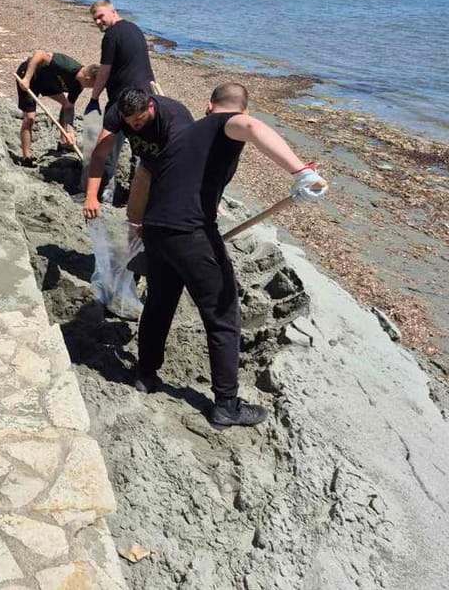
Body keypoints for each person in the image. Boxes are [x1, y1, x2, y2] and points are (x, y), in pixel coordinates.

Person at [134, 82, 328, 428]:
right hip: (189, 233)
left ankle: (145, 374)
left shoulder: (184, 133)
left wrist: (139, 219)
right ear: (237, 110)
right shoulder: (230, 122)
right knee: (223, 315)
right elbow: (252, 128)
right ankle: (226, 404)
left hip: (157, 228)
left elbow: (154, 175)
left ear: (208, 105)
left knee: (160, 303)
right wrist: (301, 172)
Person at [77, 0, 156, 202]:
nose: (98, 22)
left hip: (123, 101)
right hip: (146, 97)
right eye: (95, 19)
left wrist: (94, 97)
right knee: (140, 148)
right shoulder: (135, 29)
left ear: (114, 12)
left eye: (101, 16)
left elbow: (105, 70)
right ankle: (136, 193)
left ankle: (105, 194)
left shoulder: (112, 35)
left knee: (109, 147)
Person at [82, 87, 193, 219]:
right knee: (134, 216)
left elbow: (181, 166)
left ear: (150, 106)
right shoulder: (118, 113)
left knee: (163, 217)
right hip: (147, 163)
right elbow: (99, 155)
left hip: (177, 167)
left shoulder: (174, 119)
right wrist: (91, 196)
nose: (133, 126)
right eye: (128, 122)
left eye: (139, 120)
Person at [14, 50, 94, 166]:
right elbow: (39, 54)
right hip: (31, 75)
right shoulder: (67, 66)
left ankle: (64, 142)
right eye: (92, 85)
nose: (91, 88)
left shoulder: (78, 85)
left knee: (65, 103)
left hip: (48, 83)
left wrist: (69, 130)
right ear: (87, 78)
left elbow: (69, 106)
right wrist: (26, 78)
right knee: (30, 118)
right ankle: (26, 157)